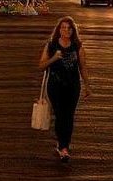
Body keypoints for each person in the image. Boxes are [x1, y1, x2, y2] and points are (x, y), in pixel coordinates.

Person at [38, 16, 90, 162]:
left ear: (73, 30)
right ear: (59, 30)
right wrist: (54, 58)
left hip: (73, 86)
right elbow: (41, 65)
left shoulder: (77, 46)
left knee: (69, 116)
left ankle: (64, 145)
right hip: (55, 86)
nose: (66, 31)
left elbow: (83, 67)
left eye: (69, 28)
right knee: (61, 115)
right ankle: (63, 147)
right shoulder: (51, 45)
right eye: (63, 28)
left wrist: (87, 86)